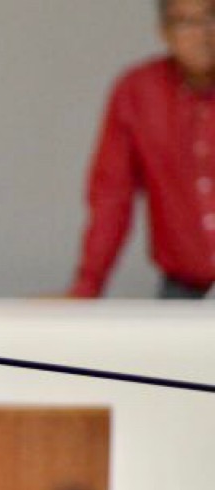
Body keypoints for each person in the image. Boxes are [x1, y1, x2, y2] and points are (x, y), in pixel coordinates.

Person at [69, 0, 215, 299]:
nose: (204, 33)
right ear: (164, 31)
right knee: (174, 346)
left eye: (213, 16)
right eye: (186, 22)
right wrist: (88, 284)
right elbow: (112, 195)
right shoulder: (137, 92)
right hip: (183, 288)